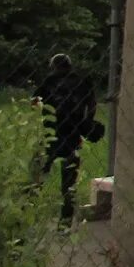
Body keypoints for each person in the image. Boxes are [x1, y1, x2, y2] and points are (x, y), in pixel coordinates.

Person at [34, 53, 98, 225]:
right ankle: (65, 222)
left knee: (38, 174)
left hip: (52, 132)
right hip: (73, 133)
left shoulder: (49, 81)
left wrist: (44, 118)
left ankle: (27, 212)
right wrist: (87, 123)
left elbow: (35, 102)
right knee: (69, 182)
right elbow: (92, 104)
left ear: (53, 66)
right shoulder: (82, 81)